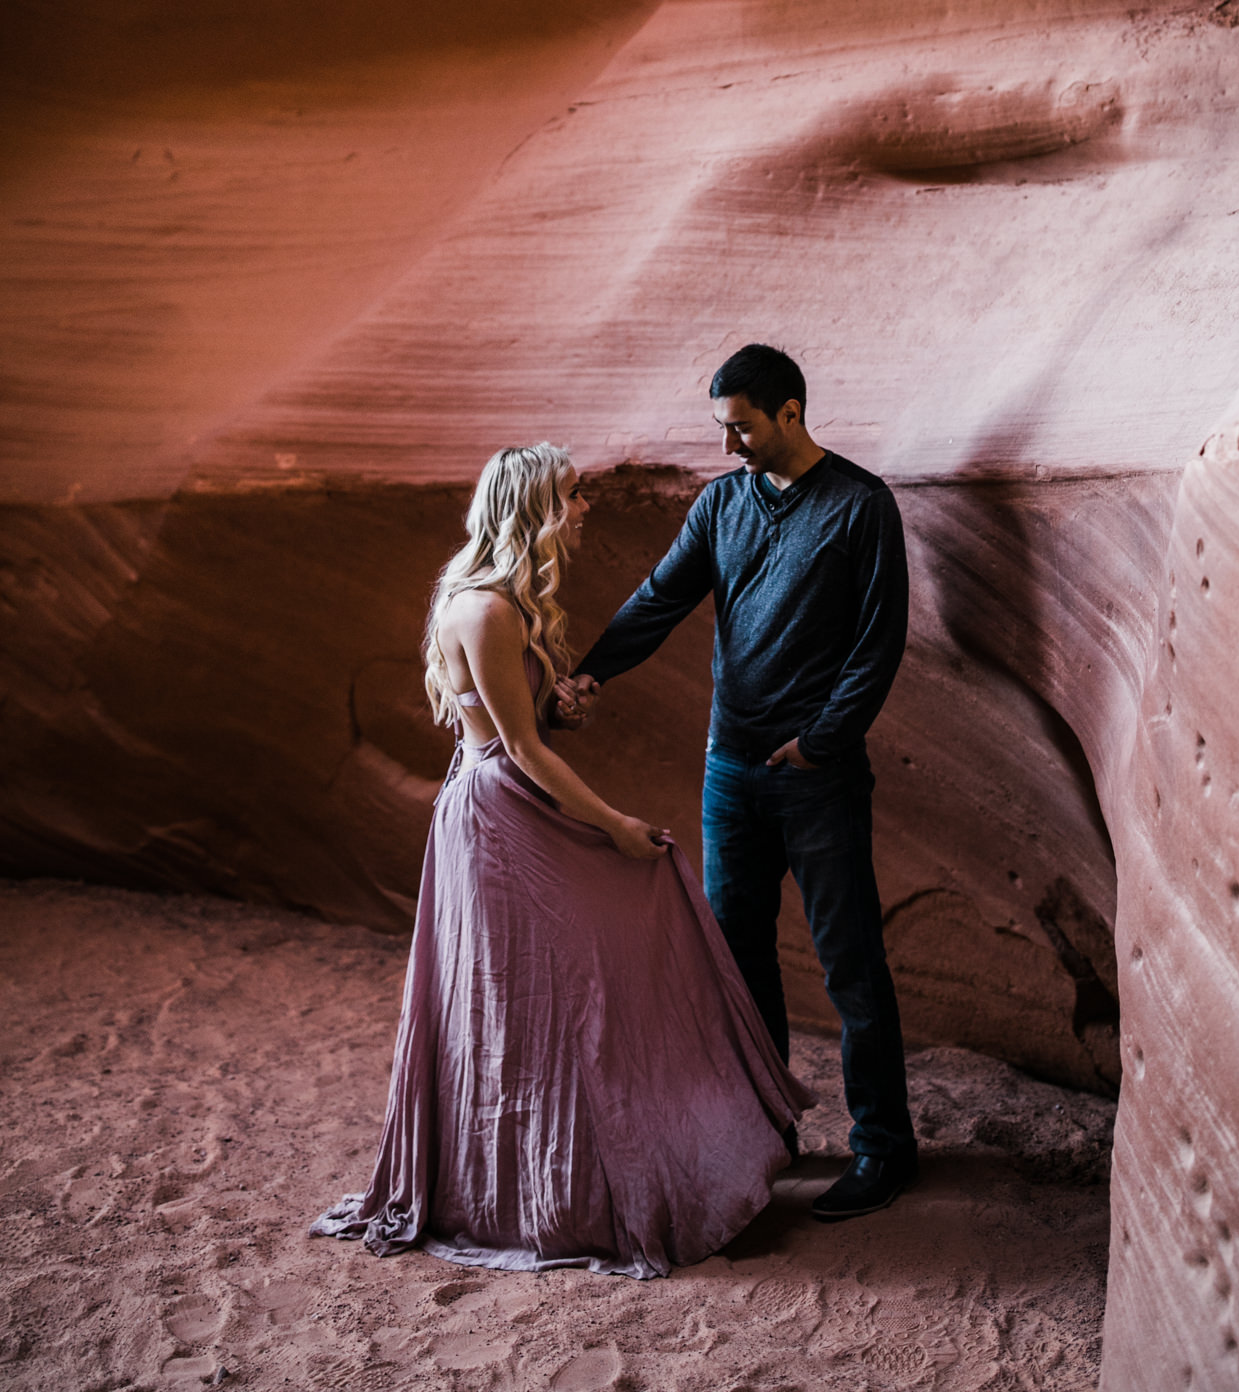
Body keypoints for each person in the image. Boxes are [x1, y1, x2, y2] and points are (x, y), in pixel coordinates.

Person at [309, 441, 811, 1279]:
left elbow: (526, 727)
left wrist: (560, 701)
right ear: (532, 507)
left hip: (509, 803)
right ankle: (544, 1191)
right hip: (501, 816)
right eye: (572, 497)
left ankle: (607, 1161)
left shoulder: (504, 603)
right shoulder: (488, 610)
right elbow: (519, 752)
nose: (583, 511)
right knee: (532, 996)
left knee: (557, 989)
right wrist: (613, 823)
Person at [573, 345, 916, 1222]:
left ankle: (883, 1148)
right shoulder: (722, 503)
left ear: (788, 413)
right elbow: (657, 599)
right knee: (738, 956)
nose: (727, 444)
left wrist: (821, 743)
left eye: (740, 427)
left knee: (849, 964)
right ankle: (768, 1133)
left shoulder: (860, 506)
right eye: (722, 427)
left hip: (816, 777)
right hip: (729, 773)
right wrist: (586, 676)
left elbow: (877, 646)